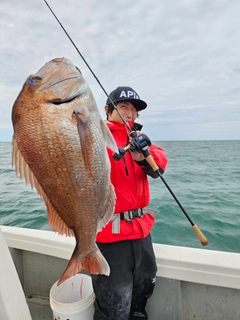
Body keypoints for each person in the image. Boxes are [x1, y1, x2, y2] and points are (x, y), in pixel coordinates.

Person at [92, 86, 168, 320]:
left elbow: (159, 163)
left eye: (134, 110)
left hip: (141, 233)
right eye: (124, 106)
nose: (130, 114)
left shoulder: (139, 139)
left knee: (141, 296)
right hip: (110, 239)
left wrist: (143, 156)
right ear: (107, 109)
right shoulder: (94, 136)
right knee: (114, 306)